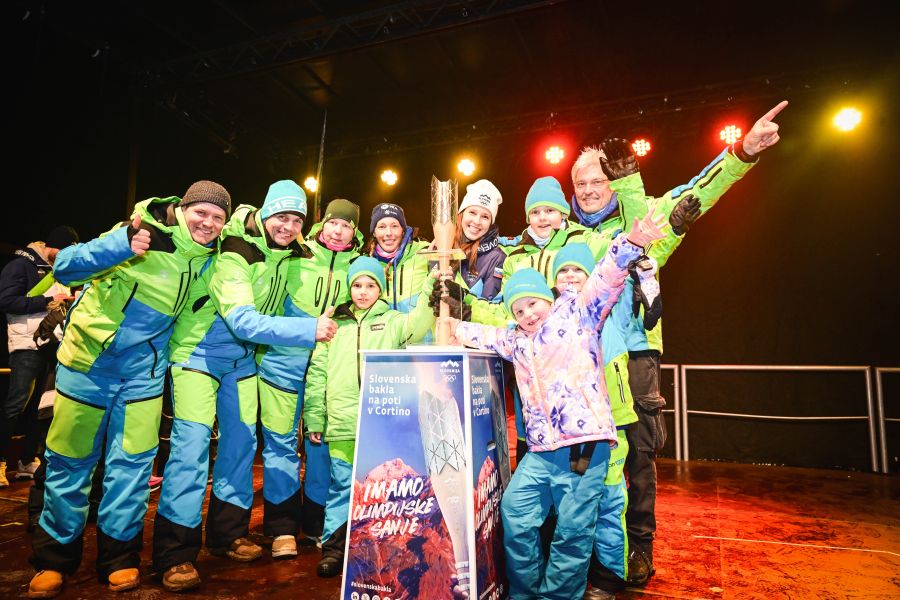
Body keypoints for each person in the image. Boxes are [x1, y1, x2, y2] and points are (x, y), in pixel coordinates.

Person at [570, 101, 788, 588]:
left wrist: (744, 152)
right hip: (581, 358)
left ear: (611, 183)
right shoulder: (563, 235)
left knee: (639, 456)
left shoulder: (643, 220)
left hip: (635, 351)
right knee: (582, 456)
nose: (587, 191)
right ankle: (584, 549)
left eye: (597, 181)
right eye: (580, 183)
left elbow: (698, 193)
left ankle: (639, 548)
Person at [443, 212, 664, 600]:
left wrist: (632, 241)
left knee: (572, 532)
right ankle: (526, 592)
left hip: (584, 447)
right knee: (514, 511)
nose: (528, 314)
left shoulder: (579, 315)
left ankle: (558, 596)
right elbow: (483, 333)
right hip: (543, 452)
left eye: (533, 304)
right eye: (519, 310)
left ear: (547, 299)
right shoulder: (516, 340)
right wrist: (450, 321)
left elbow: (607, 277)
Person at [27, 182, 226, 598]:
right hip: (88, 367)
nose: (208, 223)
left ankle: (119, 559)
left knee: (132, 467)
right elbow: (65, 268)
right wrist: (120, 245)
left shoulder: (209, 261)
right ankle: (54, 561)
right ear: (183, 209)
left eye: (217, 218)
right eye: (201, 213)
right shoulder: (139, 231)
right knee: (69, 462)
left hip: (144, 377)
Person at [152, 180, 332, 592]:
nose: (288, 226)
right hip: (198, 356)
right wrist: (309, 330)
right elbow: (243, 320)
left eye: (296, 219)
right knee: (192, 448)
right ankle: (175, 554)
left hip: (243, 361)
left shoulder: (285, 255)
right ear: (266, 214)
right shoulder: (235, 249)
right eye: (281, 217)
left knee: (240, 446)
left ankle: (227, 535)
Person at [303, 256, 436, 578]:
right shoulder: (336, 326)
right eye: (357, 285)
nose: (363, 292)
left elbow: (419, 324)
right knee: (343, 486)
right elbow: (318, 373)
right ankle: (336, 550)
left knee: (383, 491)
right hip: (343, 420)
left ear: (381, 288)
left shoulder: (392, 321)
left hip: (381, 423)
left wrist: (432, 283)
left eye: (371, 285)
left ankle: (380, 547)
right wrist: (315, 417)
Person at [256, 198, 364, 554]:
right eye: (334, 223)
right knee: (281, 443)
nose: (338, 230)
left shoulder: (360, 266)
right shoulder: (295, 254)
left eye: (347, 225)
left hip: (330, 370)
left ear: (354, 231)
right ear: (322, 223)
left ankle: (318, 523)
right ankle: (282, 528)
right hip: (282, 364)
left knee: (320, 444)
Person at [0, 226, 78, 487]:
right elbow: (7, 301)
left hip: (49, 344)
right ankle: (1, 462)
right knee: (16, 404)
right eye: (63, 250)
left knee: (39, 407)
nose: (63, 256)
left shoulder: (53, 270)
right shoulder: (20, 265)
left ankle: (26, 461)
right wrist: (47, 300)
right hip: (25, 345)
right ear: (51, 246)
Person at [366, 203, 431, 312]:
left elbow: (456, 289)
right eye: (382, 227)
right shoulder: (366, 264)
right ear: (374, 232)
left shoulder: (425, 254)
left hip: (418, 328)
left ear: (403, 230)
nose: (388, 233)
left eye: (394, 226)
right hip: (386, 329)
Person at [454, 179, 506, 301]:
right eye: (472, 212)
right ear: (461, 214)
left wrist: (462, 301)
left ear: (490, 223)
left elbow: (490, 304)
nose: (477, 221)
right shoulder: (443, 246)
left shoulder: (496, 257)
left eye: (485, 217)